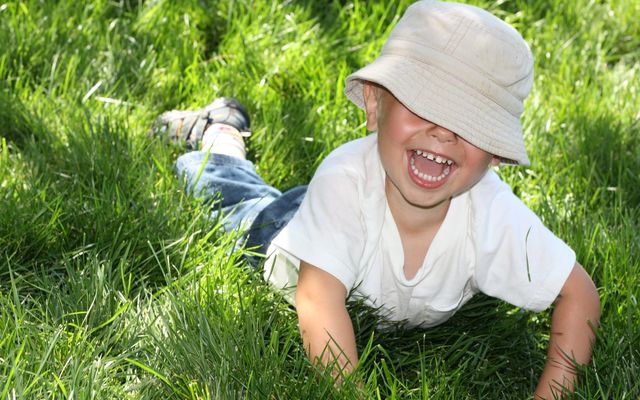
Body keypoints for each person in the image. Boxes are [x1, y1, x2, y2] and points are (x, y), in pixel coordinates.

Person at [151, 1, 600, 398]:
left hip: (349, 225)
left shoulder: (492, 214)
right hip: (287, 232)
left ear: (496, 153)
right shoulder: (343, 180)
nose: (443, 131)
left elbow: (578, 293)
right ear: (374, 103)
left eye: (470, 122)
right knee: (233, 196)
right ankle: (218, 134)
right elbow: (317, 299)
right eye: (425, 105)